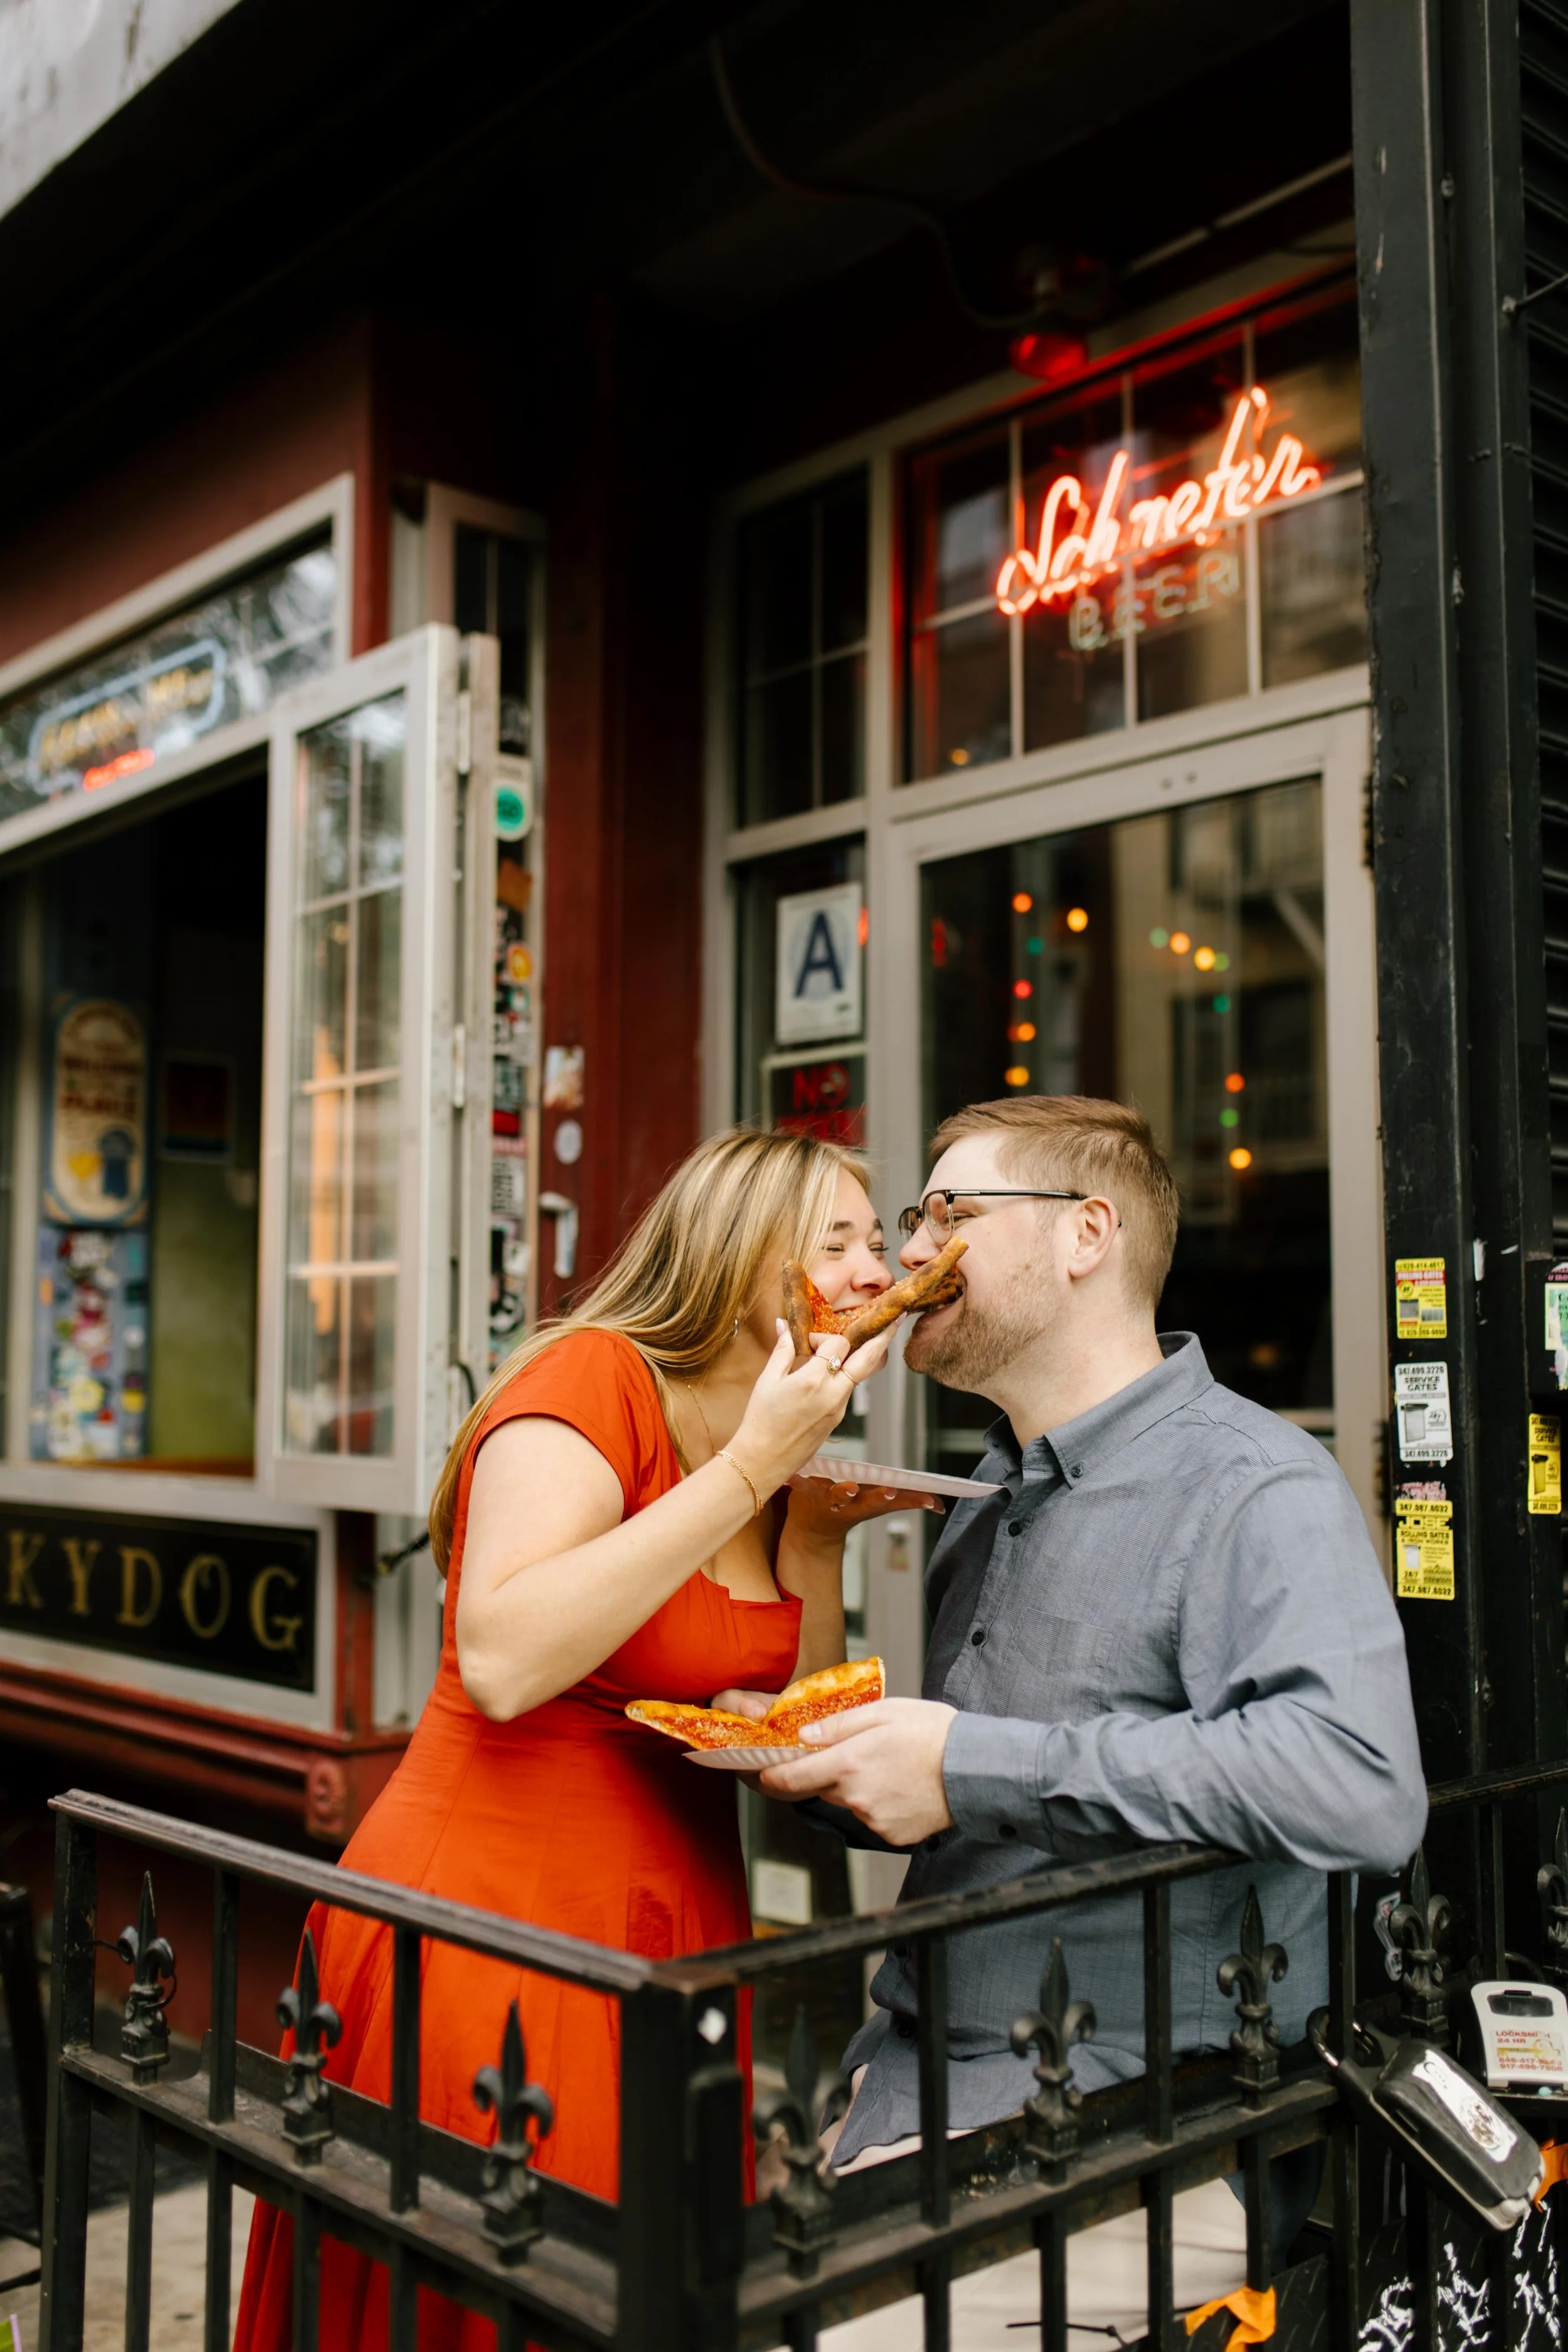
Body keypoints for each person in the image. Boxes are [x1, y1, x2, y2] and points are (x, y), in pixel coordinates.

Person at [233, 1126, 935, 2352]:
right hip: (489, 1923)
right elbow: (503, 1660)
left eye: (877, 1244)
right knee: (492, 2296)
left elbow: (791, 1716)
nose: (877, 1272)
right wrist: (748, 1474)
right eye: (838, 1245)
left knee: (638, 2293)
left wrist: (810, 1535)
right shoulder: (585, 1383)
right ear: (734, 1264)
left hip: (675, 1935)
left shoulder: (765, 1448)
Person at [759, 1094, 1427, 2194]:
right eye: (910, 1218)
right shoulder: (985, 1491)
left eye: (949, 1212)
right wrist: (830, 1757)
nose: (908, 1253)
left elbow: (1357, 1785)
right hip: (899, 2085)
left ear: (1086, 1233)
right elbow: (963, 1818)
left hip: (1134, 2129)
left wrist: (962, 1762)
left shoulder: (1255, 1483)